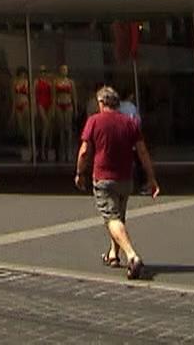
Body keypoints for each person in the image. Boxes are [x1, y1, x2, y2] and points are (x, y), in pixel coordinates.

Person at [75, 86, 159, 280]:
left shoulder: (94, 121)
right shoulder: (129, 123)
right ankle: (113, 254)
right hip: (125, 179)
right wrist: (151, 178)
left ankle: (132, 255)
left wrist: (80, 173)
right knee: (118, 216)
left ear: (102, 103)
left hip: (104, 178)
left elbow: (84, 151)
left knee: (111, 218)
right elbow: (143, 152)